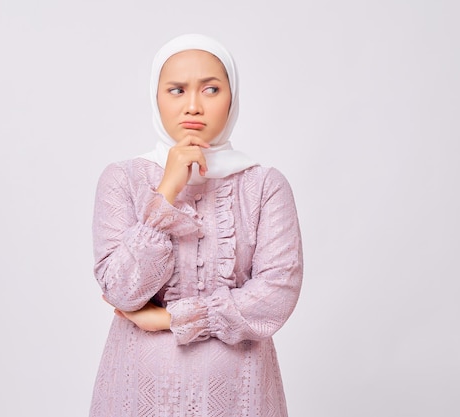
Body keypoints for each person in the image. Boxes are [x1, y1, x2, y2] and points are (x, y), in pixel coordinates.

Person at [89, 33, 303, 417]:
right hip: (138, 394)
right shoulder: (121, 179)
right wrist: (167, 192)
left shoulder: (265, 185)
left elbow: (276, 295)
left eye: (210, 89)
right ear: (156, 97)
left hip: (240, 394)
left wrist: (171, 319)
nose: (193, 105)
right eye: (176, 90)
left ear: (231, 97)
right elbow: (121, 291)